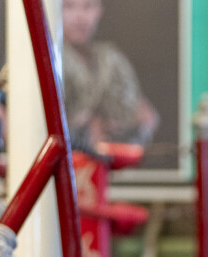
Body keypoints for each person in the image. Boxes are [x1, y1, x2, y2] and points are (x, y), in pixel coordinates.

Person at [61, 0, 159, 149]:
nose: (80, 16)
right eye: (69, 6)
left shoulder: (111, 60)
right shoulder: (50, 61)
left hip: (114, 155)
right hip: (69, 157)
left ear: (99, 10)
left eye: (88, 6)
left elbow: (147, 117)